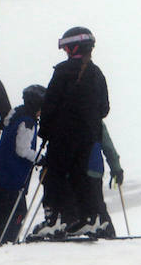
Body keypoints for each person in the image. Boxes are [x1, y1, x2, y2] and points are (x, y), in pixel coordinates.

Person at [35, 26, 109, 238]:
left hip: (62, 138)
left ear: (71, 48)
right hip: (89, 138)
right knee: (81, 177)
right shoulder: (97, 74)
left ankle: (54, 219)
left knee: (55, 175)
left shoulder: (62, 72)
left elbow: (49, 106)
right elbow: (104, 108)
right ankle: (88, 218)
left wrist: (45, 132)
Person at [0, 84, 43, 244]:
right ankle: (8, 242)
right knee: (18, 211)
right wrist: (40, 158)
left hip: (0, 174)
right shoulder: (28, 122)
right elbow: (22, 149)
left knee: (0, 213)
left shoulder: (15, 116)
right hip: (13, 177)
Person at [85, 122, 125, 239]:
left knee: (88, 200)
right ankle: (106, 228)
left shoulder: (72, 116)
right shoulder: (98, 122)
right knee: (97, 201)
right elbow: (108, 147)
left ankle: (99, 226)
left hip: (79, 168)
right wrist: (116, 168)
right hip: (95, 167)